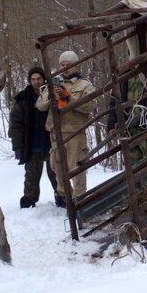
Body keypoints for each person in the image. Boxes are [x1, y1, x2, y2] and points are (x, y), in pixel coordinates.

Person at [36, 50, 95, 207]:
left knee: (77, 168)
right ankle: (65, 199)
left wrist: (66, 96)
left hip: (75, 132)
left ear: (76, 66)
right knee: (57, 167)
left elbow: (88, 106)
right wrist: (50, 95)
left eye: (68, 65)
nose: (65, 68)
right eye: (62, 65)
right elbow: (40, 105)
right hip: (56, 133)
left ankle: (80, 201)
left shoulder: (85, 85)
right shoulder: (53, 83)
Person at [10, 67, 58, 208]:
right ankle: (29, 200)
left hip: (51, 142)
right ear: (29, 81)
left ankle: (61, 196)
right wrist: (17, 147)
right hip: (31, 143)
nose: (36, 82)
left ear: (44, 79)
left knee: (56, 173)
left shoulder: (52, 94)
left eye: (39, 79)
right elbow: (15, 125)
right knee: (31, 176)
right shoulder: (23, 99)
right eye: (33, 79)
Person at [107, 72, 147, 167]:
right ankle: (137, 181)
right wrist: (111, 124)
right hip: (128, 126)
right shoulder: (123, 76)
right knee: (133, 160)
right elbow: (114, 102)